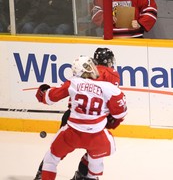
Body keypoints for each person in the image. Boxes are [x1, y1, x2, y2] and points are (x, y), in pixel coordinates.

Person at [33, 48, 121, 180]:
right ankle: (82, 175)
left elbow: (54, 95)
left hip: (74, 116)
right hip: (96, 119)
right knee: (95, 153)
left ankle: (42, 174)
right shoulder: (112, 74)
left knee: (55, 152)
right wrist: (113, 118)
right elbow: (114, 102)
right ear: (109, 61)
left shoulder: (81, 74)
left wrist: (43, 94)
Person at [91, 0, 158, 38]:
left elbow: (151, 9)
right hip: (111, 37)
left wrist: (140, 23)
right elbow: (95, 10)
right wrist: (106, 19)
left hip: (134, 37)